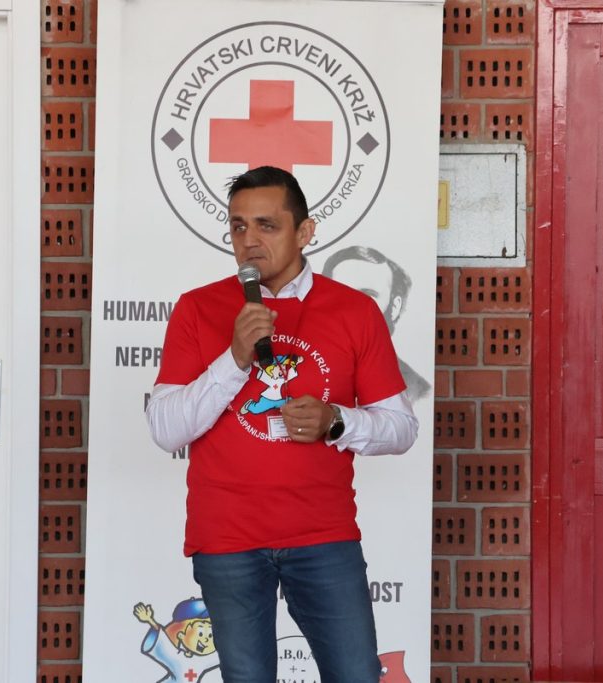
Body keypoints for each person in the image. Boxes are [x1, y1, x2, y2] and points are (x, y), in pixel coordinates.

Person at [145, 166, 418, 683]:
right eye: (238, 226)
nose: (249, 240)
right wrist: (234, 359)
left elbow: (401, 428)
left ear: (305, 231)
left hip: (323, 534)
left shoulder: (355, 311)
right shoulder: (198, 308)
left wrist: (336, 420)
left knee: (356, 675)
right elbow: (164, 428)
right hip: (228, 538)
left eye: (267, 225)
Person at [321, 245, 432, 404]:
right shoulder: (295, 367)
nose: (350, 307)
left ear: (395, 307)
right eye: (340, 294)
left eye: (367, 297)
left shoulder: (416, 393)